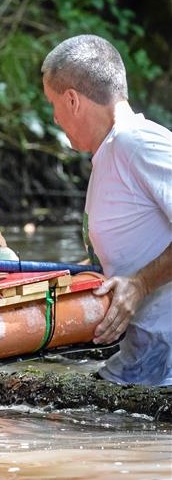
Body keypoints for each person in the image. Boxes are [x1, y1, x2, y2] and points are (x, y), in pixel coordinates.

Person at [41, 34, 172, 386]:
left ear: (72, 100)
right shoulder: (110, 154)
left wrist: (141, 284)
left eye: (52, 104)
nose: (54, 118)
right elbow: (127, 255)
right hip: (140, 358)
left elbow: (135, 276)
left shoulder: (135, 141)